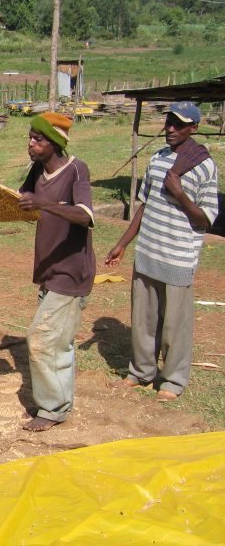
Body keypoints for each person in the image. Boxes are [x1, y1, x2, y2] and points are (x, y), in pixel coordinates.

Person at [105, 102, 219, 402]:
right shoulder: (157, 159)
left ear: (193, 128)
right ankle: (141, 372)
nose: (170, 128)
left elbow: (206, 218)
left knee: (174, 326)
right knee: (143, 320)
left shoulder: (203, 165)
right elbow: (146, 204)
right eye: (168, 121)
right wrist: (123, 243)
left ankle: (173, 379)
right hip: (148, 252)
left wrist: (180, 193)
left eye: (178, 124)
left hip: (178, 256)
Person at [17, 112, 95, 432]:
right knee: (58, 340)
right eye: (30, 137)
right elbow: (22, 200)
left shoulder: (77, 170)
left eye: (39, 139)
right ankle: (59, 400)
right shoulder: (37, 170)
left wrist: (44, 204)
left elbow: (85, 215)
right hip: (49, 269)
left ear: (56, 143)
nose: (31, 144)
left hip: (71, 270)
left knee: (41, 339)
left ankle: (53, 409)